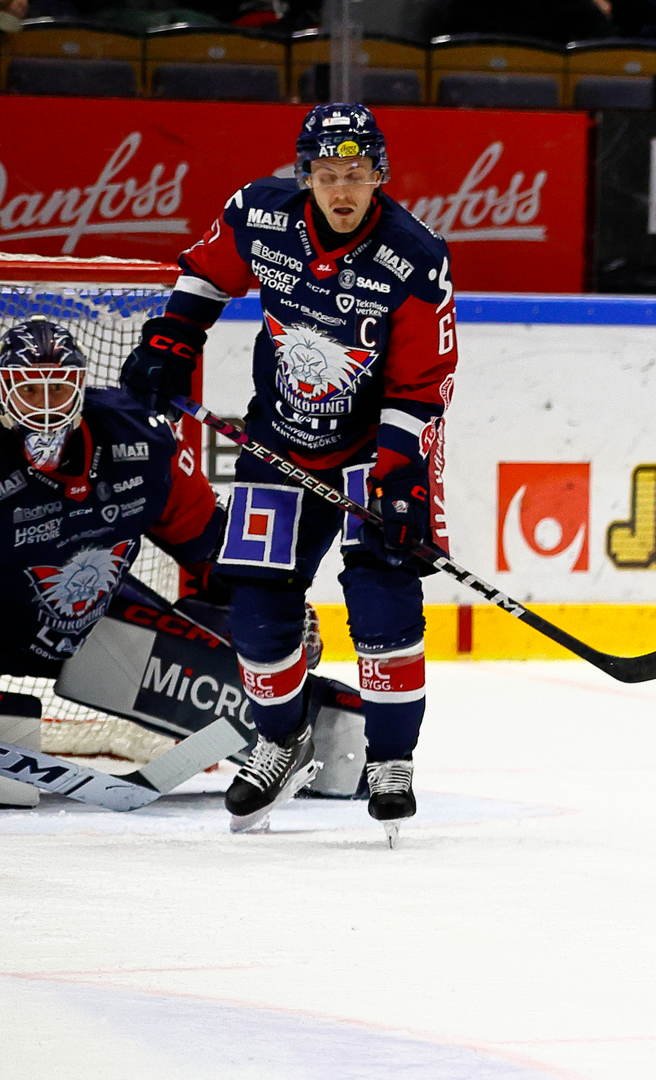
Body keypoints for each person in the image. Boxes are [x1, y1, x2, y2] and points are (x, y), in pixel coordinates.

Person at [119, 103, 458, 840]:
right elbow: (206, 277)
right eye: (328, 174)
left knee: (382, 603)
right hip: (282, 437)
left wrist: (402, 478)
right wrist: (170, 342)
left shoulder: (415, 255)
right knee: (260, 610)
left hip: (378, 449)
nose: (343, 190)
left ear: (380, 178)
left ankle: (391, 760)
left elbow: (422, 384)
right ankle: (279, 738)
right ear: (304, 176)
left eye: (358, 175)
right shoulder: (259, 215)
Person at [1, 316, 223, 681]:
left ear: (79, 387)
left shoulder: (138, 437)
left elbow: (210, 541)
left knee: (241, 619)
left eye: (57, 389)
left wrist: (270, 607)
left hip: (94, 630)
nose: (44, 406)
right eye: (28, 391)